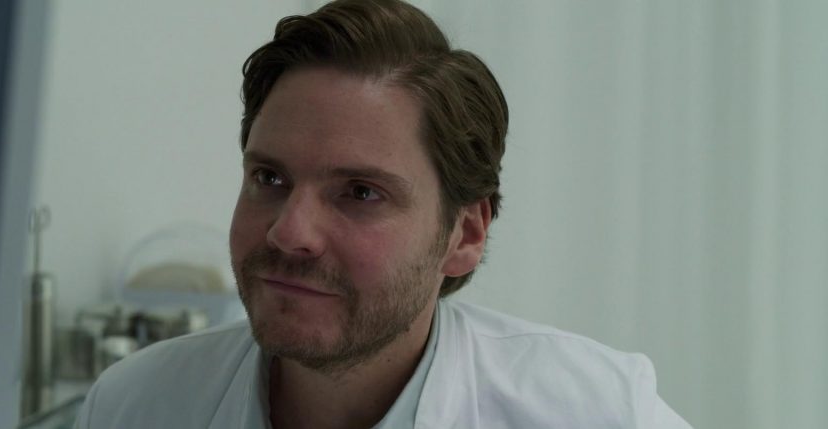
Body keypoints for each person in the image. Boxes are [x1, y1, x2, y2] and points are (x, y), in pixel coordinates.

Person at [76, 0, 692, 427]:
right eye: (270, 178)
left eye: (361, 192)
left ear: (464, 234)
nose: (289, 232)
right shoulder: (135, 407)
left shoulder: (597, 412)